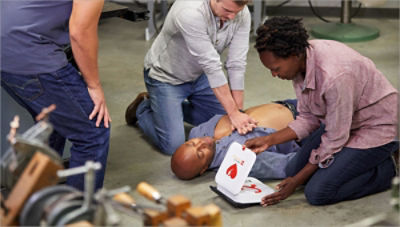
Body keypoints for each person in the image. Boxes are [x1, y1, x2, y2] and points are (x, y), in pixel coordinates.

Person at [245, 17, 398, 206]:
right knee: (293, 168)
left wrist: (297, 181)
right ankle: (357, 163)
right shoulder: (300, 61)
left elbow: (335, 139)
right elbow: (308, 118)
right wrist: (268, 140)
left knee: (318, 192)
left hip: (376, 128)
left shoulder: (334, 76)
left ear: (294, 55)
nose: (274, 75)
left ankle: (389, 166)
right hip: (344, 124)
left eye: (276, 69)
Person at [1, 0, 111, 191]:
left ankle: (29, 203)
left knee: (51, 126)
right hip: (27, 51)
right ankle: (76, 216)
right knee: (93, 133)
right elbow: (80, 33)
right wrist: (94, 86)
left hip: (7, 48)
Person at [125, 0, 257, 155]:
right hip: (167, 78)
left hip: (200, 76)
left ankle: (167, 109)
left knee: (224, 125)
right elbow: (212, 67)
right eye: (228, 10)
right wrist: (233, 113)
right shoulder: (190, 11)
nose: (232, 16)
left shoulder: (241, 13)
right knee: (173, 146)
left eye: (237, 11)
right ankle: (145, 106)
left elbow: (237, 64)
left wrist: (237, 111)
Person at [171, 100, 325, 180]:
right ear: (204, 169)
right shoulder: (238, 160)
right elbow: (289, 165)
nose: (200, 143)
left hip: (288, 102)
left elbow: (223, 115)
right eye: (200, 153)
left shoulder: (197, 132)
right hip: (311, 123)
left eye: (191, 144)